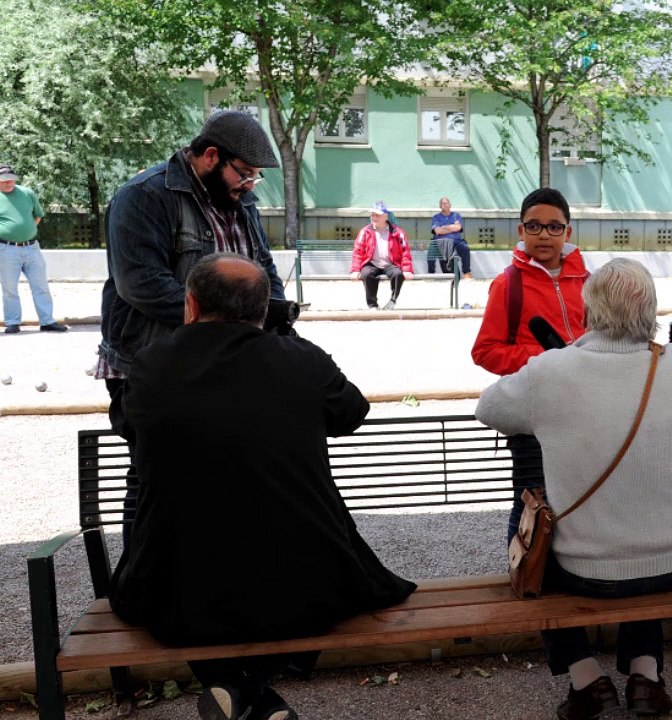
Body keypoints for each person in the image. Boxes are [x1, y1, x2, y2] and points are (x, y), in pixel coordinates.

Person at [109, 254, 415, 720]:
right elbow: (351, 413)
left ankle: (235, 687)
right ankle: (253, 692)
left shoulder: (152, 365)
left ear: (189, 305)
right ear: (262, 310)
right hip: (307, 583)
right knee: (277, 593)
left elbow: (128, 424)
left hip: (177, 590)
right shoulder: (300, 360)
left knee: (195, 588)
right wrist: (287, 338)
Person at [476, 258, 672, 720]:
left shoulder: (550, 370)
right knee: (641, 520)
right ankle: (645, 676)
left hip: (587, 570)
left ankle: (586, 679)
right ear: (651, 312)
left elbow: (490, 409)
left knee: (528, 543)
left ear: (588, 311)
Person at [97, 111, 288, 546]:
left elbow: (263, 269)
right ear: (210, 156)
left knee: (230, 477)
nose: (249, 185)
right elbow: (140, 284)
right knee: (154, 480)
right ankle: (141, 583)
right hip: (152, 364)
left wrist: (276, 312)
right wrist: (225, 327)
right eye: (244, 174)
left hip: (231, 359)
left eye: (255, 179)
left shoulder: (241, 197)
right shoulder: (144, 196)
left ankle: (215, 582)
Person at [472, 187, 588, 544]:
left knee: (577, 498)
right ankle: (523, 578)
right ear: (520, 231)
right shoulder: (508, 284)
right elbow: (486, 351)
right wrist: (547, 359)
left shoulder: (587, 281)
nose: (544, 235)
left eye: (554, 227)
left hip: (581, 408)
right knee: (530, 502)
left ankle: (567, 572)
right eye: (534, 226)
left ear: (567, 233)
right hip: (532, 413)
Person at [0, 163, 67, 333]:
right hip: (6, 249)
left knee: (41, 285)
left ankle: (47, 321)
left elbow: (37, 215)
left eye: (11, 180)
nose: (9, 183)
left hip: (31, 247)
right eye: (4, 180)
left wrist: (27, 230)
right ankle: (13, 322)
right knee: (9, 288)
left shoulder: (27, 193)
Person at [349, 201, 414, 310]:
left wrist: (407, 270)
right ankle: (372, 305)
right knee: (366, 274)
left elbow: (405, 252)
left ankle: (392, 301)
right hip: (372, 263)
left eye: (377, 215)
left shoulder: (398, 232)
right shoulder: (365, 232)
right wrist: (355, 270)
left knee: (398, 274)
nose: (374, 217)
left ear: (385, 216)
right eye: (372, 215)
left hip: (391, 263)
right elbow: (357, 252)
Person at [430, 196, 472, 278]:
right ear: (440, 206)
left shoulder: (456, 215)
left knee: (465, 248)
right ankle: (456, 275)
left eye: (447, 203)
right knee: (448, 252)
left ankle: (467, 272)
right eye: (443, 203)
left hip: (457, 241)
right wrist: (452, 228)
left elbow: (458, 227)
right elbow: (438, 231)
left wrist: (444, 227)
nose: (445, 205)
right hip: (443, 241)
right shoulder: (436, 217)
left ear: (450, 205)